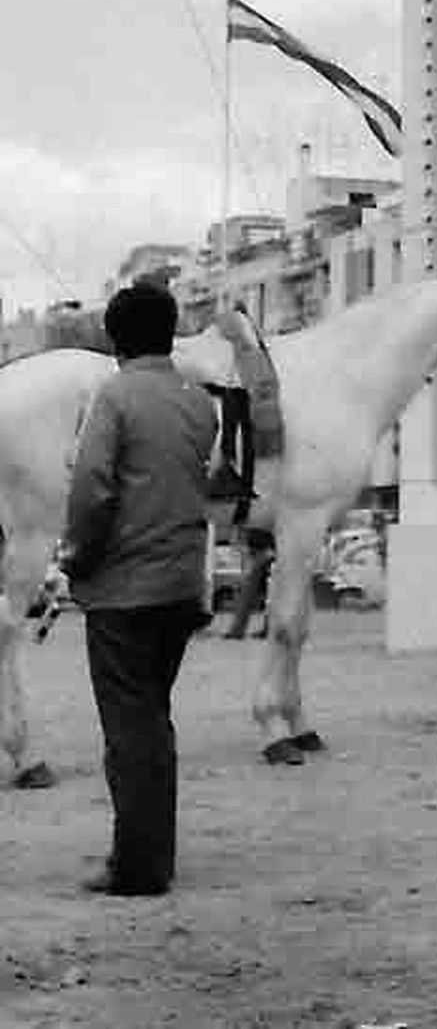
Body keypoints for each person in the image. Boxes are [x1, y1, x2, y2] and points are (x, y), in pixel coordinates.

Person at [60, 277, 217, 897]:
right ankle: (156, 854)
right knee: (153, 721)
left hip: (124, 589)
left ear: (114, 337)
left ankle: (138, 867)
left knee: (129, 731)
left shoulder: (115, 397)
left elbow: (92, 490)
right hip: (181, 585)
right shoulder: (196, 399)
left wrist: (76, 558)